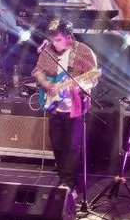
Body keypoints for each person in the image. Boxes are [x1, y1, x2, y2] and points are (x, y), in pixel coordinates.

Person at [32, 19, 100, 192]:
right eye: (53, 39)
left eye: (58, 40)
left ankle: (70, 184)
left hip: (74, 108)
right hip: (54, 107)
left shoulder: (84, 51)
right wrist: (46, 84)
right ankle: (63, 179)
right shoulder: (48, 50)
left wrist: (81, 85)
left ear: (69, 37)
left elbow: (93, 77)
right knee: (57, 146)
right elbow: (38, 70)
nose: (54, 43)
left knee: (72, 147)